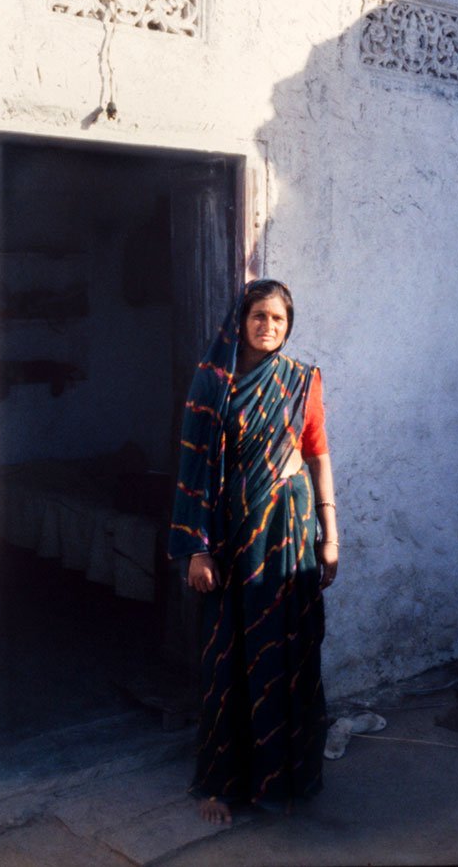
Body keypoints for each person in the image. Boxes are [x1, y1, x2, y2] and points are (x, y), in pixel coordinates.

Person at [168, 278, 340, 825]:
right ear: (240, 320)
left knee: (287, 653)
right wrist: (196, 550)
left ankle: (285, 776)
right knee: (228, 655)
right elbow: (193, 469)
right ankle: (220, 784)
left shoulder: (299, 381)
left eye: (279, 320)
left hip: (289, 535)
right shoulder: (211, 382)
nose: (268, 327)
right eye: (259, 317)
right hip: (231, 536)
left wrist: (330, 536)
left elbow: (318, 456)